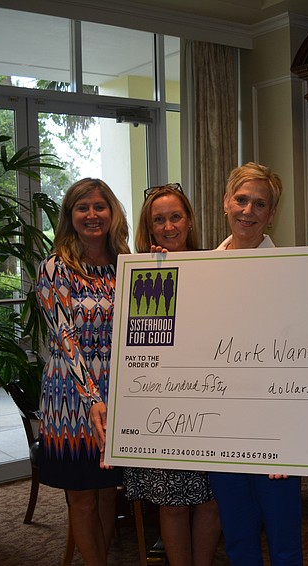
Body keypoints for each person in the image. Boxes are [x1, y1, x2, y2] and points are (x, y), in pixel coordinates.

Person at [207, 162, 304, 565]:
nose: (248, 210)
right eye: (241, 199)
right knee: (238, 539)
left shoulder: (292, 271)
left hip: (273, 424)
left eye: (259, 203)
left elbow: (303, 357)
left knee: (283, 541)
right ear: (226, 202)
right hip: (222, 425)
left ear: (271, 213)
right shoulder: (202, 268)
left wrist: (287, 437)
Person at [122, 182, 221, 566]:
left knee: (212, 500)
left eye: (175, 216)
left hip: (212, 402)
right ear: (148, 228)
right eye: (158, 219)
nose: (168, 226)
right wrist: (155, 272)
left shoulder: (216, 265)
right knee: (172, 502)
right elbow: (144, 344)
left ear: (190, 220)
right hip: (161, 408)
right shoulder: (140, 273)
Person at [36, 178, 130, 566]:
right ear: (70, 216)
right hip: (70, 400)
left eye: (99, 206)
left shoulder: (125, 263)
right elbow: (65, 338)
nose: (92, 215)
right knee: (82, 496)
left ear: (112, 213)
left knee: (109, 491)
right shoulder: (55, 267)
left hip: (118, 392)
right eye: (82, 208)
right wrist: (92, 398)